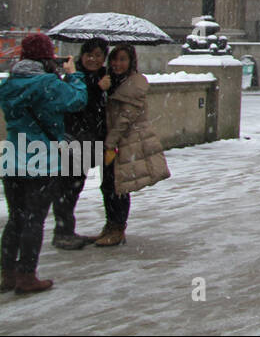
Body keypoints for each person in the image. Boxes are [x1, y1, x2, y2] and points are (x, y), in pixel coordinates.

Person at [1, 33, 88, 293]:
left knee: (16, 218)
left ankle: (7, 273)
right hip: (41, 160)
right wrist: (74, 75)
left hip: (12, 158)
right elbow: (77, 100)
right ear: (47, 56)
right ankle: (27, 275)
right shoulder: (47, 83)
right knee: (34, 219)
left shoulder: (9, 83)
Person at [94, 43, 170, 247]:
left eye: (122, 59)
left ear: (131, 62)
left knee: (118, 186)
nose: (118, 64)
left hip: (126, 143)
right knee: (107, 185)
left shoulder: (135, 84)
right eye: (115, 59)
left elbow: (124, 119)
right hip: (112, 141)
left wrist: (110, 143)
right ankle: (110, 225)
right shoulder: (112, 82)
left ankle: (118, 227)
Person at [50, 38, 110, 249]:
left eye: (98, 56)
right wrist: (96, 87)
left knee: (75, 187)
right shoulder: (75, 77)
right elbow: (77, 101)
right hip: (72, 140)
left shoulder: (104, 77)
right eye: (89, 55)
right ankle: (62, 233)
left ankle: (67, 230)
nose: (93, 59)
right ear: (82, 56)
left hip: (90, 141)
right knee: (65, 188)